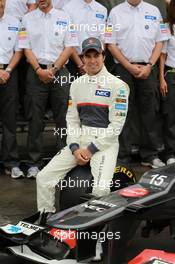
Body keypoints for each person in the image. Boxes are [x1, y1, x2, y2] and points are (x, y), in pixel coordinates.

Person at [36, 37, 129, 217]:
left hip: (104, 144)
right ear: (83, 58)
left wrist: (91, 149)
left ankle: (98, 240)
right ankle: (45, 223)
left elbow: (116, 126)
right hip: (80, 139)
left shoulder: (118, 86)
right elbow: (71, 120)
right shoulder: (77, 84)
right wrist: (75, 147)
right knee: (43, 178)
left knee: (101, 191)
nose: (92, 60)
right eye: (88, 56)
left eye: (96, 55)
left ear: (103, 56)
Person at [18, 0, 78, 178]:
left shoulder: (65, 17)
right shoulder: (26, 19)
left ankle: (62, 162)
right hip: (36, 73)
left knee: (64, 119)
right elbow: (26, 48)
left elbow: (70, 46)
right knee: (35, 118)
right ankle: (34, 164)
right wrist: (39, 70)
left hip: (60, 71)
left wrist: (53, 69)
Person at [106, 0, 169, 168]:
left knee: (149, 112)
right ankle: (123, 156)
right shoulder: (115, 13)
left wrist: (149, 65)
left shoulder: (154, 11)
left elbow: (160, 41)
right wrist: (128, 66)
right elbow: (110, 44)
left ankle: (149, 155)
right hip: (123, 68)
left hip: (148, 68)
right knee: (122, 111)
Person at [0, 0, 23, 178]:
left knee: (10, 119)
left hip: (9, 72)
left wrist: (7, 70)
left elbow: (19, 51)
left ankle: (11, 162)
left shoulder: (15, 23)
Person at [63, 0, 107, 75]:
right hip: (74, 61)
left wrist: (99, 61)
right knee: (75, 86)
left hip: (96, 62)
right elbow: (67, 40)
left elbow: (103, 38)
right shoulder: (67, 8)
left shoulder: (102, 9)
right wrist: (80, 65)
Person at [159, 0, 175, 165]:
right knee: (170, 116)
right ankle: (170, 153)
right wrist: (162, 78)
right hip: (171, 75)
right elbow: (162, 55)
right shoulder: (166, 26)